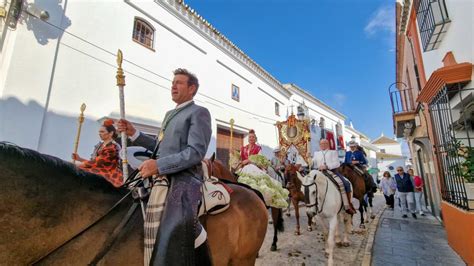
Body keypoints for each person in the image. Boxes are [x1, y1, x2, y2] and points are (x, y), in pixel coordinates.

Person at [117, 68, 212, 265]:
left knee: (174, 228)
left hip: (185, 177)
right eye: (172, 82)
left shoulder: (198, 112)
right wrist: (135, 133)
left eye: (179, 82)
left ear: (192, 88)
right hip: (163, 173)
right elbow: (160, 148)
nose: (173, 86)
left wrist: (158, 165)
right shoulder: (169, 114)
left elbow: (195, 152)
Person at [72, 119, 123, 187]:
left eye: (102, 131)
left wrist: (77, 165)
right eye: (99, 132)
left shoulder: (113, 147)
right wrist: (79, 159)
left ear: (111, 133)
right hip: (98, 168)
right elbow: (95, 162)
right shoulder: (99, 145)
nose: (99, 133)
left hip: (110, 173)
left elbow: (98, 162)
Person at [312, 139, 356, 214]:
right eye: (322, 144)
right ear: (320, 145)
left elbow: (337, 163)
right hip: (319, 172)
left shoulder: (333, 152)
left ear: (328, 144)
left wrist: (327, 166)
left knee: (346, 183)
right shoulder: (316, 153)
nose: (323, 145)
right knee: (308, 185)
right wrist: (309, 160)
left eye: (325, 143)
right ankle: (311, 206)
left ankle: (347, 205)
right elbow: (313, 163)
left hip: (332, 172)